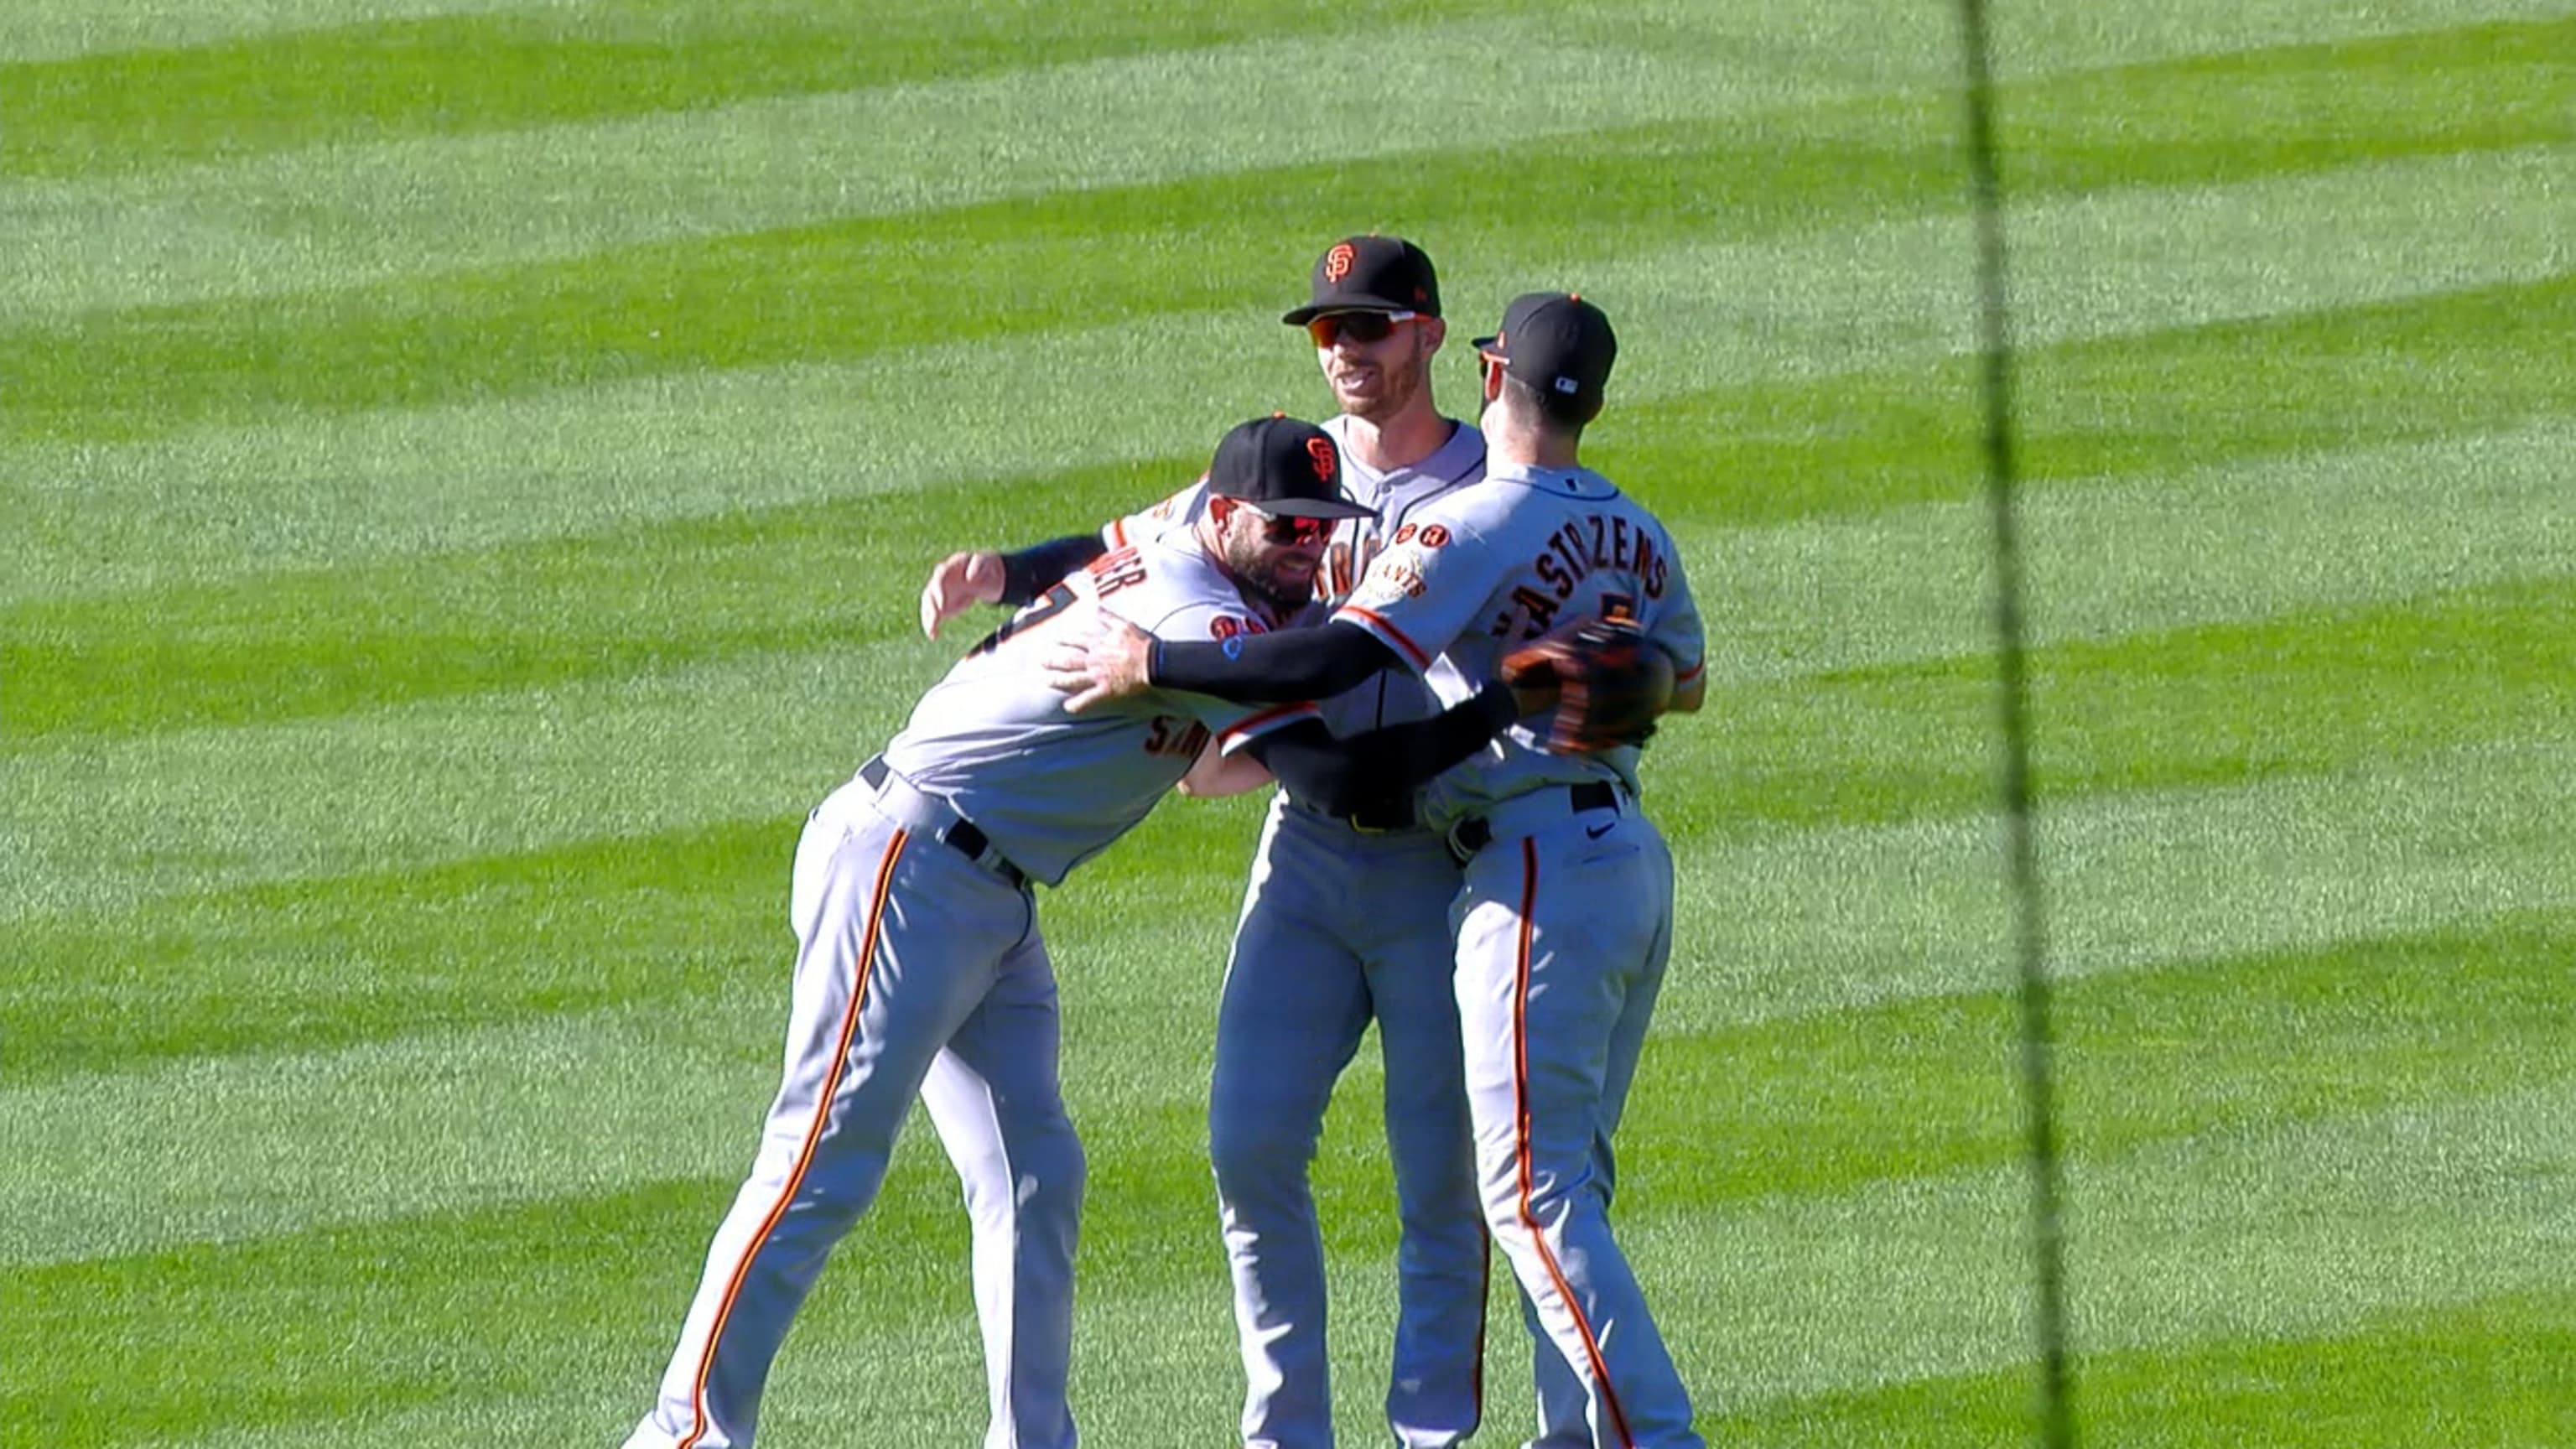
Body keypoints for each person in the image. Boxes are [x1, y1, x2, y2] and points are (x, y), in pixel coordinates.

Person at [622, 415, 1557, 1449]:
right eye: (1289, 530)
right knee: (820, 1165)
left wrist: (1008, 571)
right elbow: (1337, 774)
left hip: (990, 894)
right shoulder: (1198, 609)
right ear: (1227, 515)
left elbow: (1213, 727)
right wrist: (1500, 706)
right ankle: (683, 1435)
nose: (1309, 551)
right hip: (907, 867)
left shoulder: (1195, 572)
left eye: (1320, 530)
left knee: (1034, 1175)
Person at [1048, 293, 1709, 1448]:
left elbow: (1339, 651)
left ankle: (1654, 1437)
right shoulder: (1638, 528)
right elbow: (1683, 681)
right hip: (1623, 861)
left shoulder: (1475, 519)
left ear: (1489, 368)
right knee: (1564, 1194)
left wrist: (1153, 658)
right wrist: (1596, 678)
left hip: (1529, 864)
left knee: (1527, 1204)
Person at [921, 236, 1504, 1449]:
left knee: (1440, 1184)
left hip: (1435, 862)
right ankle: (1284, 1435)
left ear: (1430, 335)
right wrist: (1004, 570)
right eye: (1328, 330)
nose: (1346, 350)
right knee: (1248, 1152)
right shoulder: (1285, 472)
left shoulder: (1487, 488)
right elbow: (1129, 542)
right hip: (1305, 851)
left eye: (1371, 327)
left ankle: (1433, 1437)